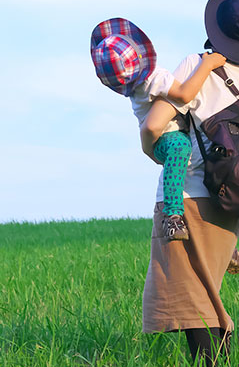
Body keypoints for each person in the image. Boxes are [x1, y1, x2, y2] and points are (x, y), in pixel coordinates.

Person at [141, 0, 239, 367]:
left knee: (192, 301)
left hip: (187, 197)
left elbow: (155, 125)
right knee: (206, 293)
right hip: (233, 198)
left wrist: (148, 144)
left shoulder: (197, 65)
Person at [90, 18, 226, 241]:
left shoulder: (133, 87)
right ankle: (172, 215)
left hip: (161, 140)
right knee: (183, 148)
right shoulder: (154, 78)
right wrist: (207, 64)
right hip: (168, 138)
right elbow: (184, 94)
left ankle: (223, 245)